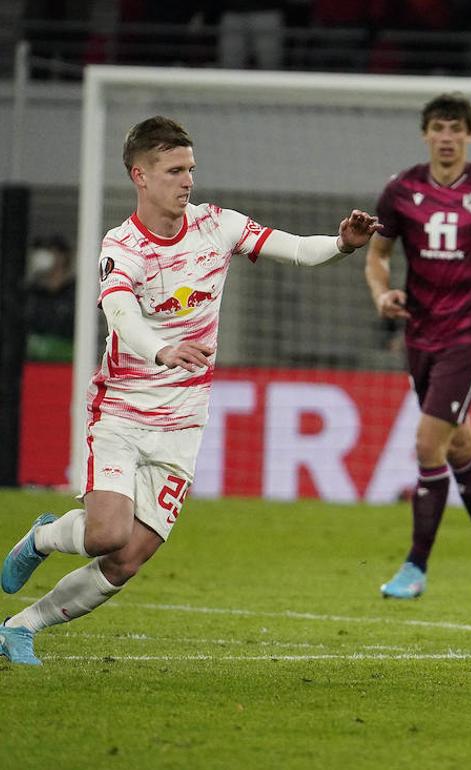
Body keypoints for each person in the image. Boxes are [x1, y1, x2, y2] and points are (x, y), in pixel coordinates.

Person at [0, 116, 379, 665]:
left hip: (183, 423)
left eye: (191, 169)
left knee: (128, 558)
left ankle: (21, 627)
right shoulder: (122, 245)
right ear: (141, 175)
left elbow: (296, 249)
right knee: (106, 532)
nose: (188, 181)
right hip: (123, 411)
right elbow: (119, 313)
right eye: (175, 170)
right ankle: (40, 539)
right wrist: (162, 349)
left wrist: (342, 243)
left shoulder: (216, 226)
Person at [365, 92, 471, 603]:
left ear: (470, 135)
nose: (448, 137)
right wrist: (381, 292)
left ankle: (415, 567)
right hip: (420, 336)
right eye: (439, 127)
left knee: (427, 444)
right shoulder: (401, 190)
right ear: (426, 133)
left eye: (457, 128)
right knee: (459, 445)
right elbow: (377, 254)